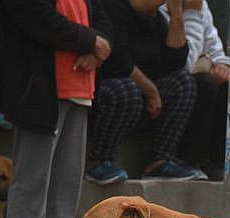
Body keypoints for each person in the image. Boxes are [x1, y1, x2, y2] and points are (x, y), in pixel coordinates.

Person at [0, 0, 111, 218]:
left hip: (81, 89)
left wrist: (98, 49)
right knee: (32, 179)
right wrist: (91, 41)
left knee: (67, 181)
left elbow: (104, 19)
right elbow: (37, 18)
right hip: (39, 91)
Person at [85, 0, 201, 185]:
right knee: (126, 90)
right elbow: (119, 63)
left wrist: (176, 17)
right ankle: (99, 159)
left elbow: (175, 63)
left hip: (143, 96)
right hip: (110, 90)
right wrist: (151, 91)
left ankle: (161, 159)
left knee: (183, 82)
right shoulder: (113, 8)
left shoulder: (156, 18)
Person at [162, 0, 229, 181]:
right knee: (204, 84)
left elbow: (214, 46)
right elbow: (184, 63)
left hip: (192, 72)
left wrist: (222, 65)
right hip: (166, 81)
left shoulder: (199, 4)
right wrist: (191, 14)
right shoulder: (160, 7)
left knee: (227, 83)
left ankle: (216, 161)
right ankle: (191, 159)